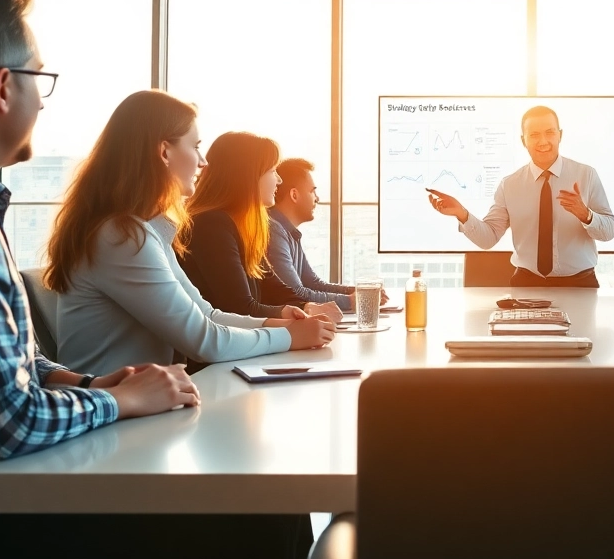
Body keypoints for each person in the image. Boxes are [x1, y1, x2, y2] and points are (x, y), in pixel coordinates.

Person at [0, 0, 229, 559]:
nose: (44, 99)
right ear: (4, 88)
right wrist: (121, 401)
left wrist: (90, 382)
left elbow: (5, 366)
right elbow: (8, 424)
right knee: (259, 524)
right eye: (40, 78)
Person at [48, 92, 336, 375]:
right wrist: (290, 337)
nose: (203, 162)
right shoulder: (122, 237)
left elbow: (208, 315)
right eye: (195, 146)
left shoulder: (145, 231)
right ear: (164, 152)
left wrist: (284, 326)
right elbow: (204, 341)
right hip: (112, 415)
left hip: (142, 405)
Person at [427, 105, 614, 288]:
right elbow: (489, 238)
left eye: (550, 132)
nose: (543, 141)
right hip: (527, 283)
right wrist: (462, 214)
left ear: (560, 135)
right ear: (523, 140)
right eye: (534, 135)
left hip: (580, 283)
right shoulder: (509, 185)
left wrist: (586, 215)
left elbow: (610, 231)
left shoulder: (586, 175)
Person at [181, 131, 341, 321]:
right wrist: (293, 313)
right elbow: (240, 308)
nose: (279, 181)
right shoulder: (211, 225)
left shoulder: (242, 225)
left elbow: (271, 287)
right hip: (224, 346)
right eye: (273, 171)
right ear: (248, 176)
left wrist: (306, 306)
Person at [269, 157, 381, 310]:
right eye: (312, 191)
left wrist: (357, 291)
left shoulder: (288, 232)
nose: (317, 198)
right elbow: (296, 294)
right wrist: (352, 301)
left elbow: (313, 284)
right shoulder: (274, 232)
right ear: (294, 195)